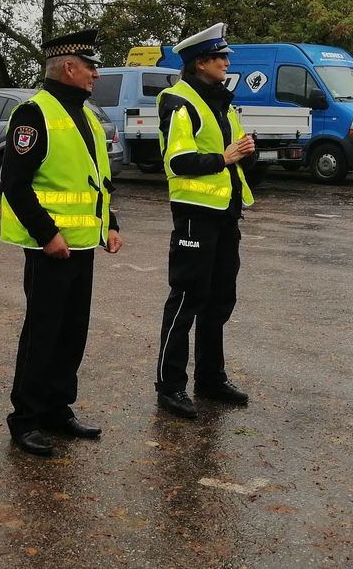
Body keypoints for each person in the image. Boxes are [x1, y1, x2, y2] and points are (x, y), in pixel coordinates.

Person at [0, 28, 123, 457]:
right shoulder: (34, 113)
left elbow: (97, 179)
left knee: (73, 331)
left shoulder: (86, 115)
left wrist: (110, 222)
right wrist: (46, 234)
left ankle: (58, 408)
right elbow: (14, 183)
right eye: (90, 66)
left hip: (83, 243)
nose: (95, 73)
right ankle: (26, 418)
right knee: (43, 332)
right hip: (50, 246)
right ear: (68, 67)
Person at [154, 22, 256, 420]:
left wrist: (245, 151)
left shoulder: (221, 102)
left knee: (219, 300)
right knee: (186, 300)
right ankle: (170, 385)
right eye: (221, 57)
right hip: (196, 215)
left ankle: (211, 379)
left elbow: (234, 150)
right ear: (201, 63)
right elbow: (178, 162)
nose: (227, 62)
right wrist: (226, 158)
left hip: (226, 213)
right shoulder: (179, 101)